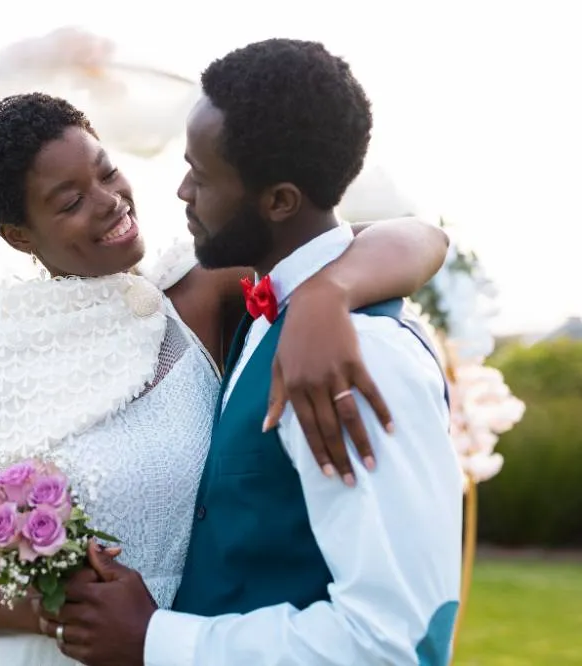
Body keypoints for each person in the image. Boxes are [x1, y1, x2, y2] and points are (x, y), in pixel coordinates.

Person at [0, 91, 450, 665]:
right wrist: (64, 610)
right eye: (70, 202)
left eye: (107, 171)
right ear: (20, 233)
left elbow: (417, 238)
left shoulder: (190, 293)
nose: (110, 201)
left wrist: (326, 295)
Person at [34, 40, 463, 666]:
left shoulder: (361, 362)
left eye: (202, 176)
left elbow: (394, 641)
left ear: (279, 201)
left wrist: (155, 640)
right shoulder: (273, 314)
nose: (182, 191)